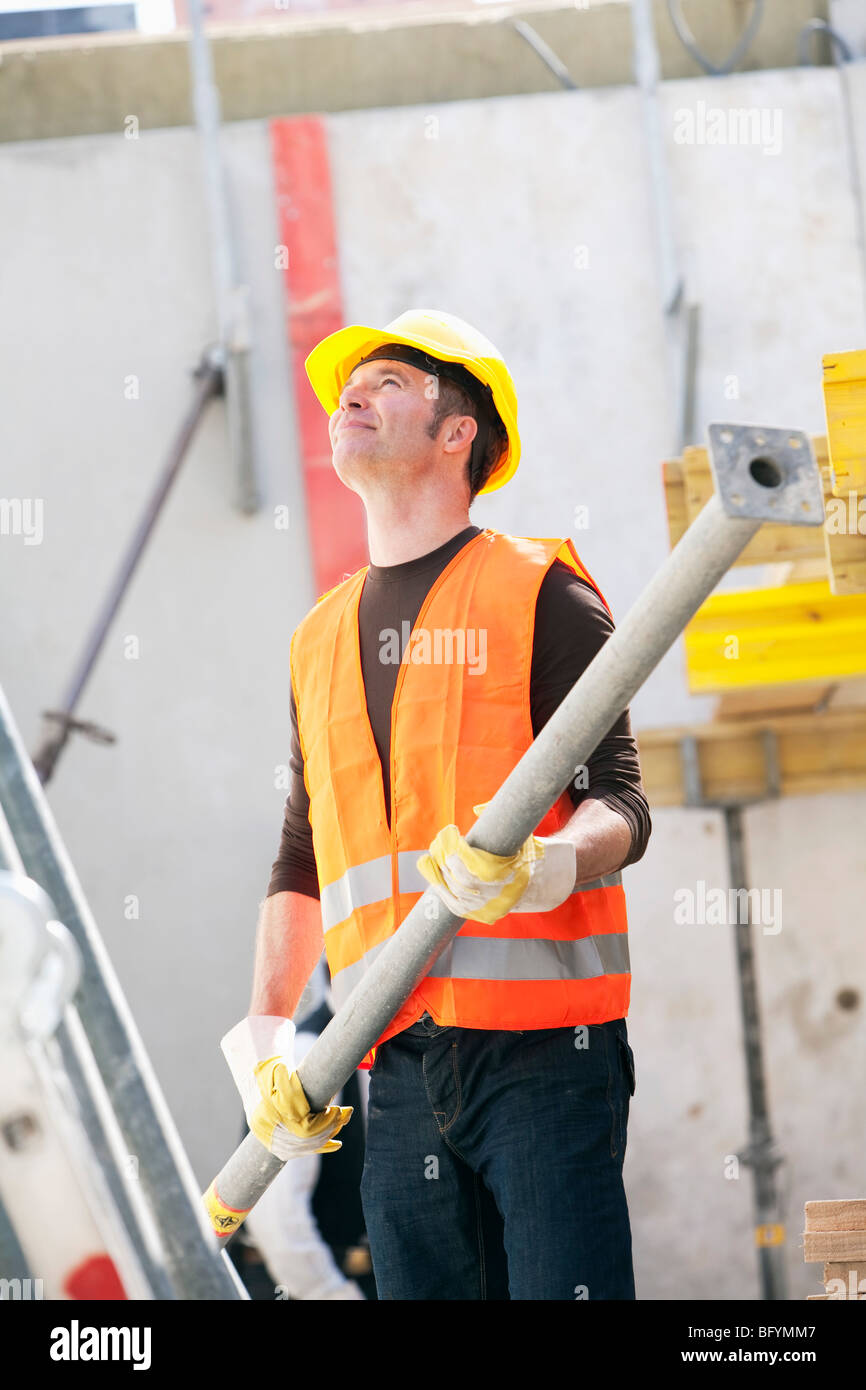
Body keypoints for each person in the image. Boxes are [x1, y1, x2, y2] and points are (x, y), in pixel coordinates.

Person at [221, 309, 651, 1300]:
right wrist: (265, 1037)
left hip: (543, 1056)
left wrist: (547, 864)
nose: (351, 396)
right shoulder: (317, 638)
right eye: (345, 387)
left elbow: (620, 799)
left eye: (386, 382)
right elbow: (302, 854)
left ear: (458, 431)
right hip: (394, 1068)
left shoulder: (539, 592)